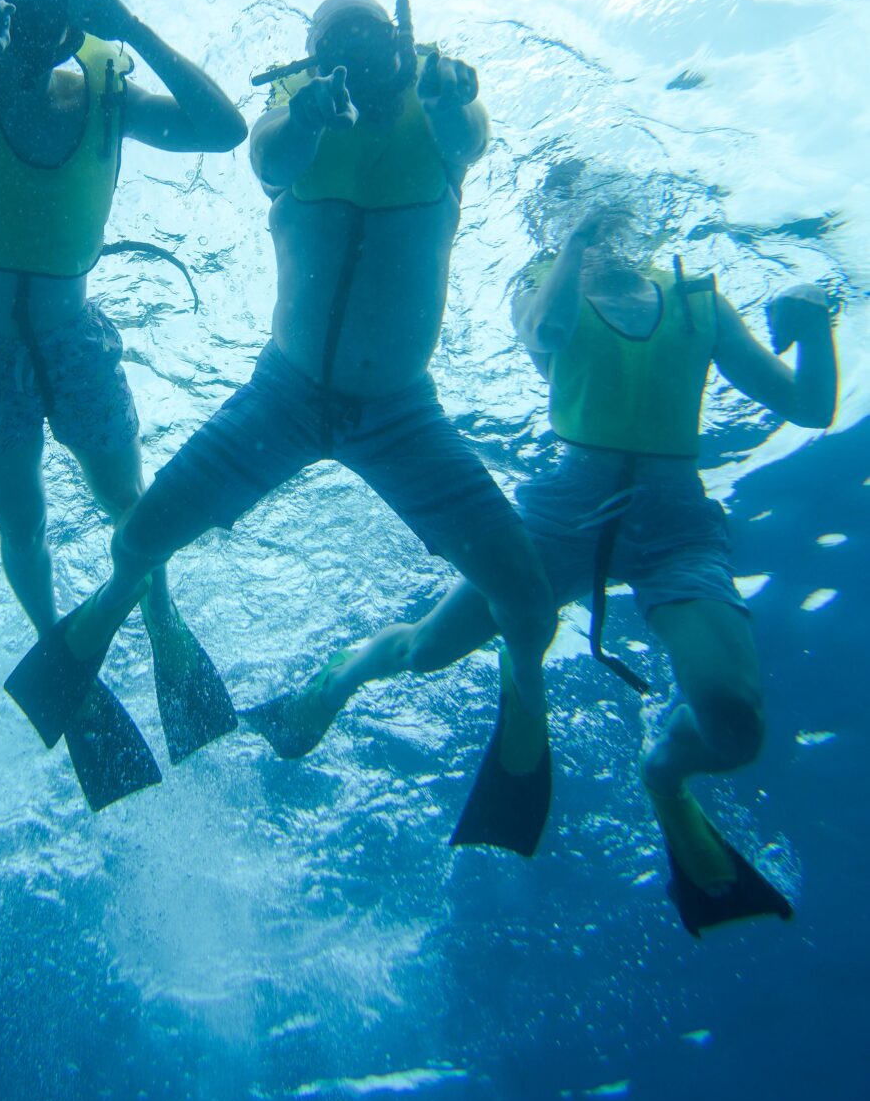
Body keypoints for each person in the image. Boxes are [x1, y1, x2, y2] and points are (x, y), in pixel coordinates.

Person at [5, 0, 557, 839]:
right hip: (284, 397)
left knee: (527, 605)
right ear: (308, 61)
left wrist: (453, 101)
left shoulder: (441, 111)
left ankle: (520, 711)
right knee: (137, 540)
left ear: (401, 45)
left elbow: (469, 136)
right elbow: (267, 157)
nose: (352, 61)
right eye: (330, 48)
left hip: (402, 416)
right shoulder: (293, 113)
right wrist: (306, 115)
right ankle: (103, 621)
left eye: (368, 40)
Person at [255, 191, 839, 932]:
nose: (600, 227)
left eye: (610, 213)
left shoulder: (699, 302)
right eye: (575, 217)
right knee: (428, 650)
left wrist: (813, 324)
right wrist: (575, 248)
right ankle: (341, 675)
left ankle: (663, 773)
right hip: (564, 512)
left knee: (735, 724)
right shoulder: (540, 286)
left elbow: (808, 406)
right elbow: (547, 332)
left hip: (678, 527)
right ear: (551, 226)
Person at [0, 0, 246, 808]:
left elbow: (223, 130)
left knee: (129, 504)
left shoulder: (103, 96)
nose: (31, 25)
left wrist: (132, 29)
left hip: (73, 342)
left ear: (74, 8)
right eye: (10, 7)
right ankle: (62, 651)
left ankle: (161, 618)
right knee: (21, 523)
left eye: (48, 4)